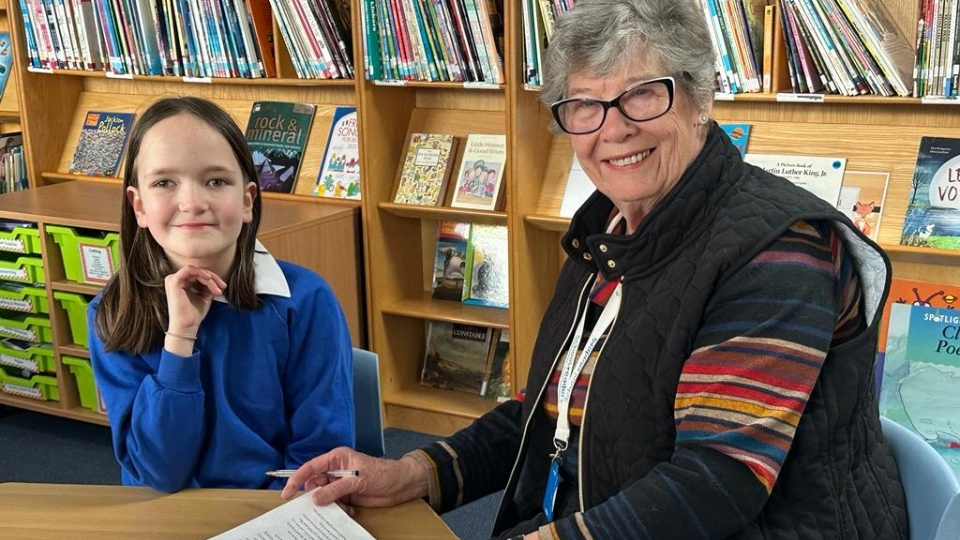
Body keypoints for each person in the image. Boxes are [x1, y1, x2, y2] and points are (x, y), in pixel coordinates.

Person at [281, 0, 909, 538]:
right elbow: (548, 411)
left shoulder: (778, 250)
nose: (613, 128)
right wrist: (413, 472)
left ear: (699, 96)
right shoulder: (609, 233)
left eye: (641, 93)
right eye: (584, 103)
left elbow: (719, 480)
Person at [88, 96, 355, 493]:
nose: (193, 202)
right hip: (166, 513)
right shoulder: (113, 312)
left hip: (277, 512)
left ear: (247, 200)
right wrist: (179, 341)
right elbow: (157, 474)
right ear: (138, 206)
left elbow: (318, 462)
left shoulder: (306, 301)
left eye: (216, 181)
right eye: (165, 182)